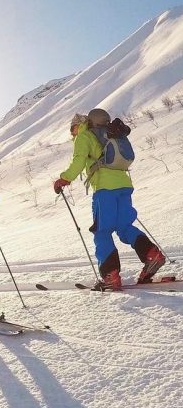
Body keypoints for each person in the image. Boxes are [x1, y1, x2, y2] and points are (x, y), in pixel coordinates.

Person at [53, 108, 165, 291]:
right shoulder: (110, 134)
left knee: (102, 231)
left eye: (72, 130)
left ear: (79, 125)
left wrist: (64, 179)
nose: (72, 135)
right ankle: (152, 255)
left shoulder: (85, 136)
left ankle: (110, 276)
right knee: (124, 227)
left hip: (105, 189)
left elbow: (79, 160)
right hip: (124, 184)